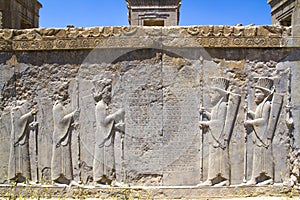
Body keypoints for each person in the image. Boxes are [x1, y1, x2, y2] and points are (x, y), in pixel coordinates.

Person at [199, 77, 231, 186]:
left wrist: (207, 124)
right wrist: (205, 113)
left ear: (219, 94)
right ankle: (211, 179)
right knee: (213, 158)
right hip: (214, 137)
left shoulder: (222, 106)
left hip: (219, 137)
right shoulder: (217, 106)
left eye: (213, 93)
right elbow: (214, 118)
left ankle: (225, 179)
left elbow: (219, 123)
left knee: (220, 159)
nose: (210, 96)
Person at [92, 78, 124, 186]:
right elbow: (103, 122)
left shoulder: (104, 106)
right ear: (102, 93)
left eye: (110, 91)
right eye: (107, 92)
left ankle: (109, 178)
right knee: (102, 156)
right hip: (102, 137)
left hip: (106, 135)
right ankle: (99, 178)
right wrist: (116, 115)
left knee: (108, 157)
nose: (109, 94)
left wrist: (116, 126)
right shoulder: (100, 106)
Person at [244, 77, 274, 186]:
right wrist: (250, 113)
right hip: (259, 137)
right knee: (257, 157)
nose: (255, 95)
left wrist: (250, 122)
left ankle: (268, 178)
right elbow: (258, 116)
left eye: (258, 92)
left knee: (263, 157)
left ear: (265, 94)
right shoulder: (260, 105)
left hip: (263, 136)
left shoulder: (266, 105)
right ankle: (255, 177)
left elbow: (263, 121)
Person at [51, 90, 80, 185]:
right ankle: (56, 178)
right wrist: (72, 115)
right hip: (60, 135)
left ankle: (67, 178)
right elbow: (60, 122)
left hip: (64, 134)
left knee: (65, 156)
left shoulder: (61, 107)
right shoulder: (58, 107)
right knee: (59, 157)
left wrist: (71, 124)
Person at [8, 100, 37, 183]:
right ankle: (14, 177)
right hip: (17, 138)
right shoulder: (16, 110)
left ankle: (26, 178)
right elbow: (18, 123)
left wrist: (30, 126)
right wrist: (29, 114)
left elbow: (23, 124)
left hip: (22, 138)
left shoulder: (22, 110)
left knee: (24, 157)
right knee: (17, 158)